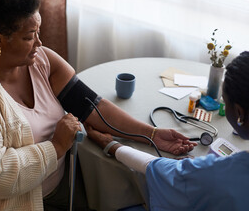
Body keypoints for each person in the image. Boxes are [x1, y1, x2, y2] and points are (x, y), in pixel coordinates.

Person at [0, 0, 196, 211]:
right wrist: (55, 146)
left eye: (38, 32)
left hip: (56, 184)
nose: (40, 44)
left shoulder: (41, 61)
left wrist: (150, 133)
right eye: (30, 36)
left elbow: (93, 107)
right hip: (6, 201)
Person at [86, 51, 249, 211]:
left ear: (239, 114)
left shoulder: (217, 174)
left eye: (225, 103)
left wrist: (111, 144)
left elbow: (155, 168)